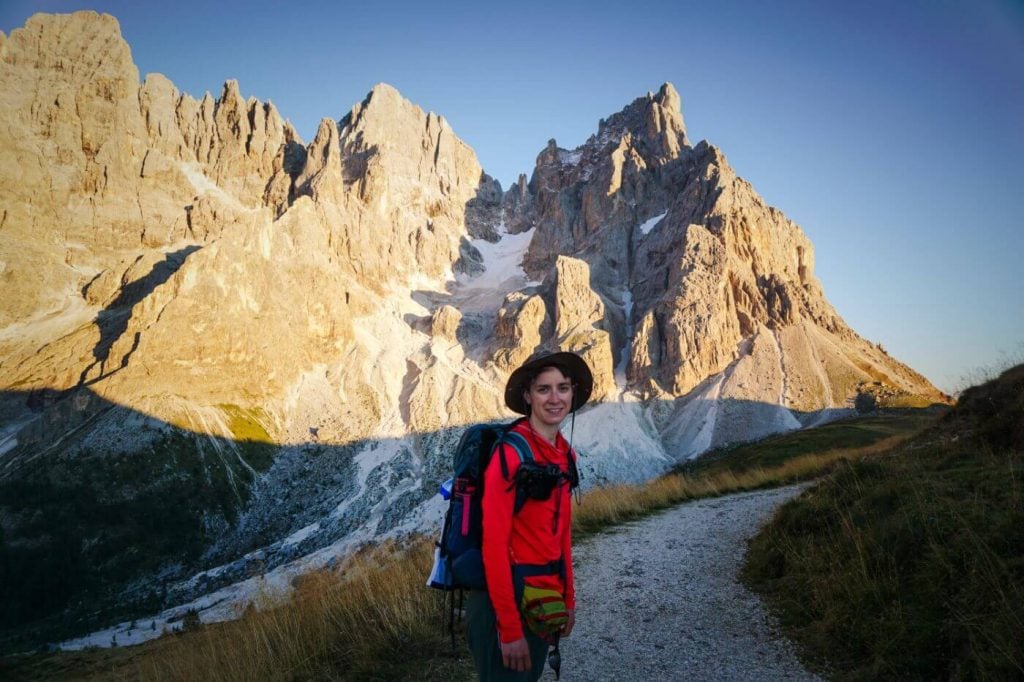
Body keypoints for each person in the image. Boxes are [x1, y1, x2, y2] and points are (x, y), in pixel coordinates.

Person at [466, 351, 593, 681]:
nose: (555, 399)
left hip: (544, 596)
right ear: (527, 395)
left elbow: (563, 534)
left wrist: (568, 600)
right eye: (543, 389)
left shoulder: (564, 453)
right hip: (505, 600)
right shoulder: (511, 454)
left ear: (573, 393)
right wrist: (508, 629)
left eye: (563, 388)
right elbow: (493, 546)